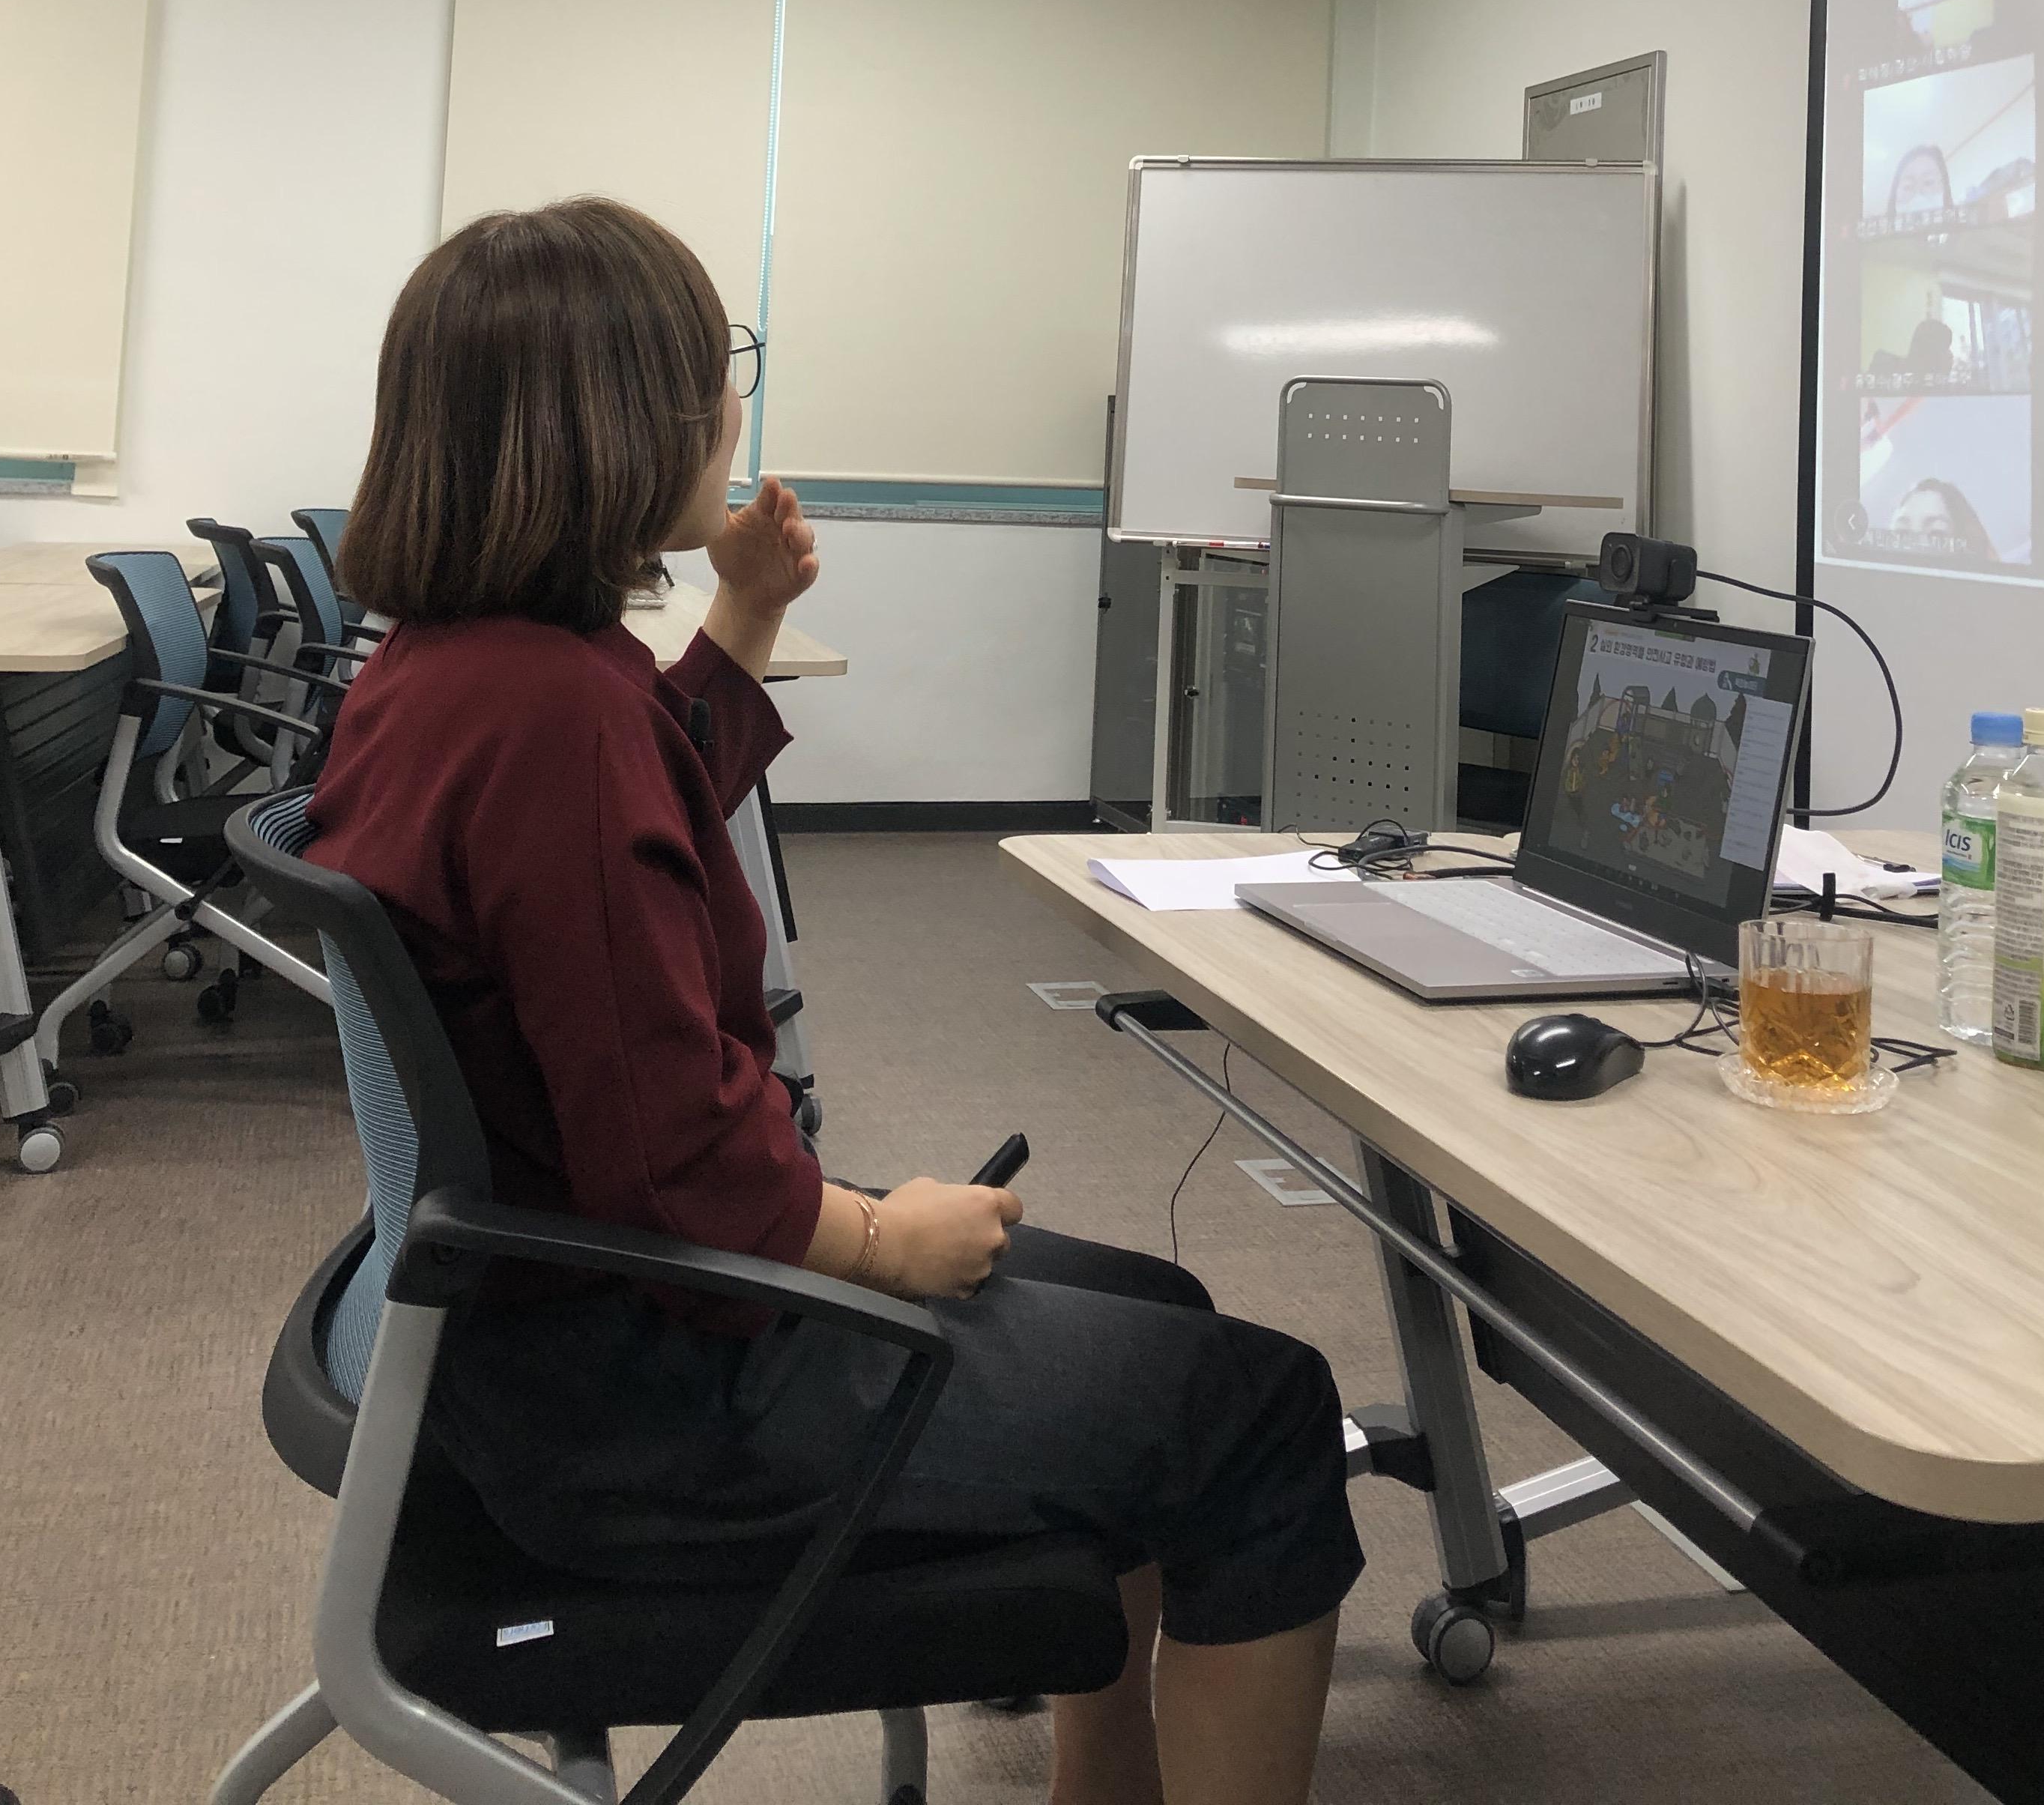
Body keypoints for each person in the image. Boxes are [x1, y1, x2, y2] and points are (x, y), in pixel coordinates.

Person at [306, 200, 1358, 1805]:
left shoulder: (465, 668)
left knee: (1166, 1310)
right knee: (1262, 1415)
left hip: (563, 1318)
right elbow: (672, 1159)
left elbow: (625, 842)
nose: (732, 406)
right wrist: (873, 1241)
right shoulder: (550, 718)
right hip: (659, 1396)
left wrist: (739, 622)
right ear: (617, 419)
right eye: (713, 370)